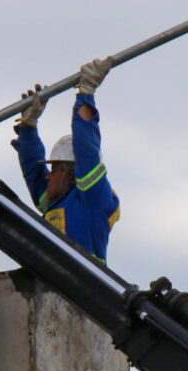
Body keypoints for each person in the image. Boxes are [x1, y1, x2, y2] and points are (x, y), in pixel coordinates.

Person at [11, 58, 120, 264]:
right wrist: (29, 126)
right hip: (53, 288)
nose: (48, 175)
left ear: (70, 173)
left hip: (85, 289)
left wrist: (86, 94)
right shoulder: (53, 203)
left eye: (54, 169)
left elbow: (86, 150)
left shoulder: (92, 199)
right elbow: (33, 173)